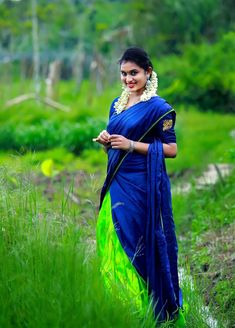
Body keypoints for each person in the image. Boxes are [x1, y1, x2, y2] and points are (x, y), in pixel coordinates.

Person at [93, 47, 185, 326]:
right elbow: (116, 148)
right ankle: (123, 305)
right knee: (110, 237)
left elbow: (171, 150)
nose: (128, 79)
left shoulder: (160, 109)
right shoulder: (116, 104)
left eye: (134, 73)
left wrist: (132, 145)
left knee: (138, 244)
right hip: (117, 182)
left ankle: (151, 307)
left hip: (142, 186)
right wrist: (107, 141)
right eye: (123, 73)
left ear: (148, 72)